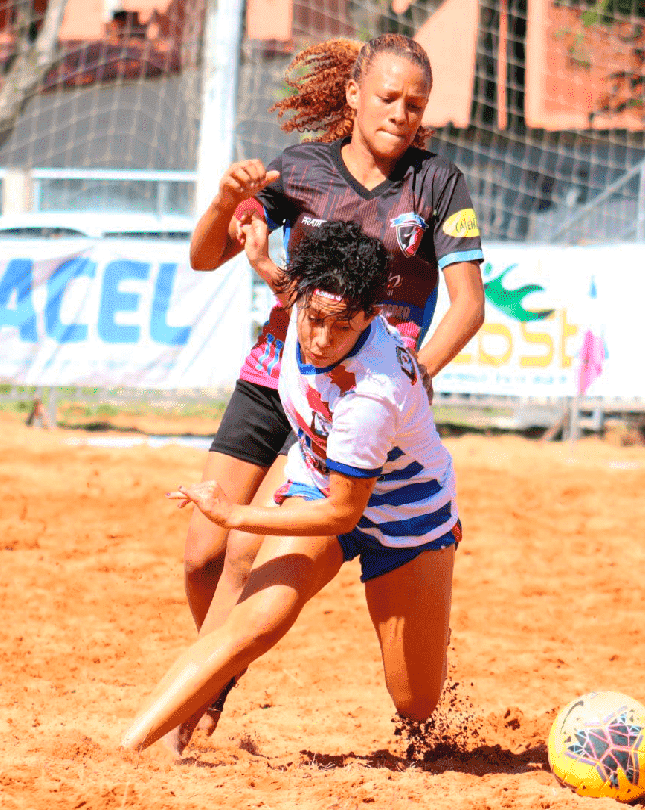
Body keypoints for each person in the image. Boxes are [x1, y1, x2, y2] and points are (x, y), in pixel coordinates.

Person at [173, 34, 485, 753]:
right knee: (200, 553)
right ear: (352, 95)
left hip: (359, 398)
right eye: (387, 98)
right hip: (278, 372)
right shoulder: (300, 170)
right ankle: (216, 677)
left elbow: (467, 308)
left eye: (415, 104)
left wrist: (412, 378)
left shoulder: (438, 184)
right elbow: (203, 257)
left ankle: (202, 696)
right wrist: (226, 200)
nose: (402, 114)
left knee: (250, 546)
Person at [122, 221, 462, 752]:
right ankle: (135, 747)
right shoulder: (310, 304)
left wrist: (235, 516)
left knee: (415, 702)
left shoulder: (371, 394)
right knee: (256, 621)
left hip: (405, 516)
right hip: (320, 480)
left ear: (371, 317)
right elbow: (298, 288)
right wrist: (260, 259)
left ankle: (425, 606)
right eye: (314, 319)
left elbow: (340, 516)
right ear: (297, 299)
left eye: (343, 327)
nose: (323, 339)